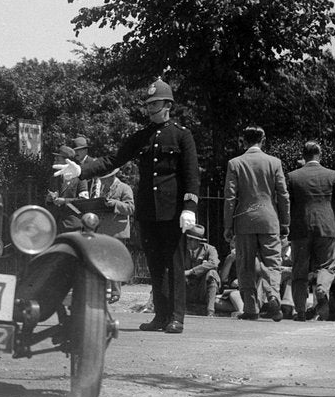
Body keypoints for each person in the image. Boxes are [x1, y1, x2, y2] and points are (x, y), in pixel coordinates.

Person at [56, 78, 200, 334]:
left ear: (167, 104)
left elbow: (191, 174)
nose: (150, 108)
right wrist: (82, 170)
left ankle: (177, 316)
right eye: (148, 104)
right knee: (155, 263)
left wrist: (189, 207)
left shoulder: (181, 135)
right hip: (148, 210)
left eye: (155, 103)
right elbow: (114, 159)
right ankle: (161, 315)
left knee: (174, 263)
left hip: (172, 210)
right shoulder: (142, 136)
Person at [223, 126, 290, 322]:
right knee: (272, 263)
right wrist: (285, 222)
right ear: (263, 140)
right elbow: (283, 195)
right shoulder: (274, 162)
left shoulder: (235, 163)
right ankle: (273, 297)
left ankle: (251, 307)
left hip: (245, 221)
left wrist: (228, 225)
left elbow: (230, 197)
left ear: (243, 140)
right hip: (269, 219)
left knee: (245, 265)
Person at [286, 141, 335, 322]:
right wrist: (331, 213)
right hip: (326, 227)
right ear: (319, 155)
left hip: (300, 229)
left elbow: (285, 202)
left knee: (299, 270)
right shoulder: (333, 175)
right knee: (328, 265)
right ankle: (321, 288)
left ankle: (299, 310)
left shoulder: (293, 176)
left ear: (303, 156)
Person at [89, 167, 135, 243]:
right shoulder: (100, 189)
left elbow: (130, 208)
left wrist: (114, 203)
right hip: (101, 232)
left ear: (112, 177)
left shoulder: (125, 188)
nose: (101, 181)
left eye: (104, 179)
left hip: (117, 232)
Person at [184, 227, 220, 316]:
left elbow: (214, 263)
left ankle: (210, 311)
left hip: (201, 287)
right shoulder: (182, 249)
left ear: (198, 241)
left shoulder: (209, 249)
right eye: (186, 238)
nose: (187, 241)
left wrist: (192, 271)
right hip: (185, 286)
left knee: (212, 273)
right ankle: (151, 306)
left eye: (190, 239)